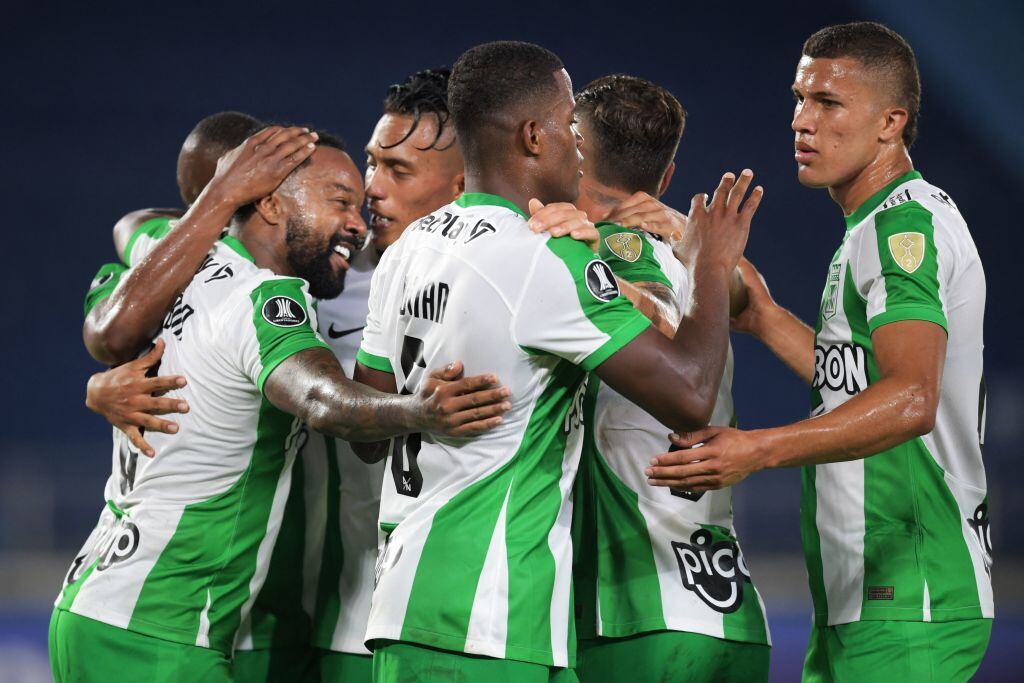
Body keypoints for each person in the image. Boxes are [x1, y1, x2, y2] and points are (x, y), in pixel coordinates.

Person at [353, 40, 761, 682]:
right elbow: (689, 393)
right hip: (483, 612)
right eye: (570, 124)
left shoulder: (410, 248)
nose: (580, 142)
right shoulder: (546, 257)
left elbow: (366, 432)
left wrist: (415, 411)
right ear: (534, 136)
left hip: (420, 599)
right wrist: (710, 264)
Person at [51, 126, 512, 683]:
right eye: (340, 201)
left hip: (93, 600)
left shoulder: (171, 264)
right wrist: (420, 411)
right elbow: (321, 398)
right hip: (162, 626)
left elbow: (132, 238)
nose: (358, 221)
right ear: (267, 202)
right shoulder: (266, 297)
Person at [646, 21, 992, 682]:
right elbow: (860, 379)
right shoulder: (873, 224)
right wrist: (765, 315)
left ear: (891, 122)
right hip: (867, 599)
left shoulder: (900, 228)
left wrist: (758, 449)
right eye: (800, 99)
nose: (802, 120)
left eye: (828, 103)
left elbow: (912, 397)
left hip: (909, 596)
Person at [567, 74, 770, 683]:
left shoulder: (598, 254)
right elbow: (747, 295)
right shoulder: (704, 265)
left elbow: (656, 309)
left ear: (572, 150)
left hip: (631, 618)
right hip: (729, 613)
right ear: (666, 175)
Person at [308, 67, 466, 683]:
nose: (371, 187)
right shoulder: (326, 278)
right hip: (348, 619)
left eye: (398, 171)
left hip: (471, 615)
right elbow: (149, 228)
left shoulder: (522, 274)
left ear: (462, 186)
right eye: (374, 163)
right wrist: (109, 374)